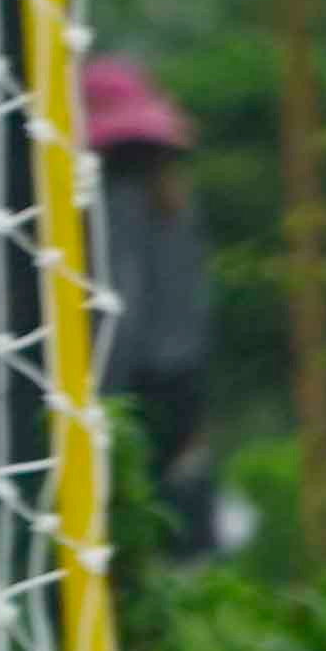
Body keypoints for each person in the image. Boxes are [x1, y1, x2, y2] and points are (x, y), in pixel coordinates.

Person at [82, 55, 213, 549]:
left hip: (130, 391)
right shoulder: (173, 202)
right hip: (181, 387)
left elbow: (125, 315)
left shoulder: (112, 206)